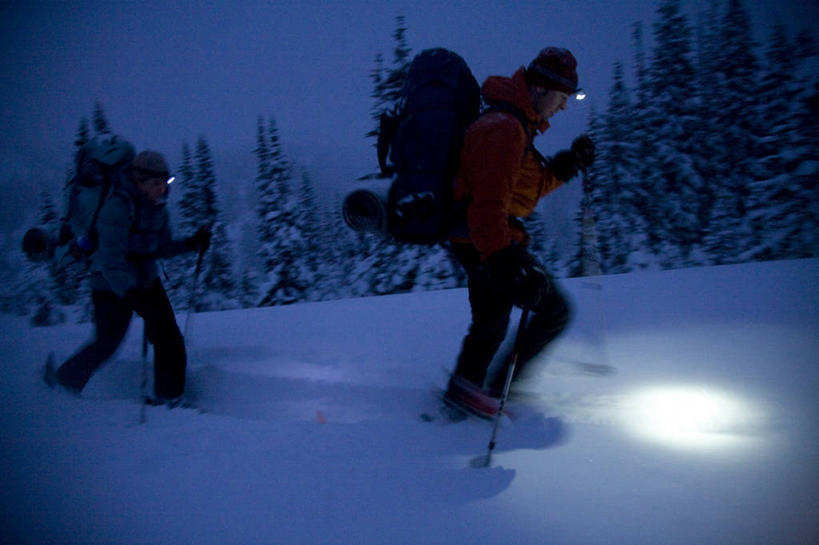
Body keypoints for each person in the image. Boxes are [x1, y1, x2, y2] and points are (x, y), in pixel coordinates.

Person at [444, 47, 595, 417]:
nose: (562, 108)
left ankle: (469, 393)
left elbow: (518, 196)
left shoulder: (514, 124)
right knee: (551, 310)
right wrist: (506, 260)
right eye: (562, 98)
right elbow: (487, 207)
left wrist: (564, 167)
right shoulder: (504, 129)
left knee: (492, 321)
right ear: (542, 89)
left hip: (482, 239)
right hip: (484, 240)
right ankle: (484, 394)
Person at [44, 149, 211, 406]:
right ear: (139, 180)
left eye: (165, 184)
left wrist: (190, 244)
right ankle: (64, 380)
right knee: (107, 343)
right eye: (156, 184)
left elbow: (158, 248)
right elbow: (110, 261)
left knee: (169, 338)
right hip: (110, 284)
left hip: (145, 280)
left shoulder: (158, 209)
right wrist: (131, 291)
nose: (162, 190)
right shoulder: (117, 207)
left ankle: (168, 398)